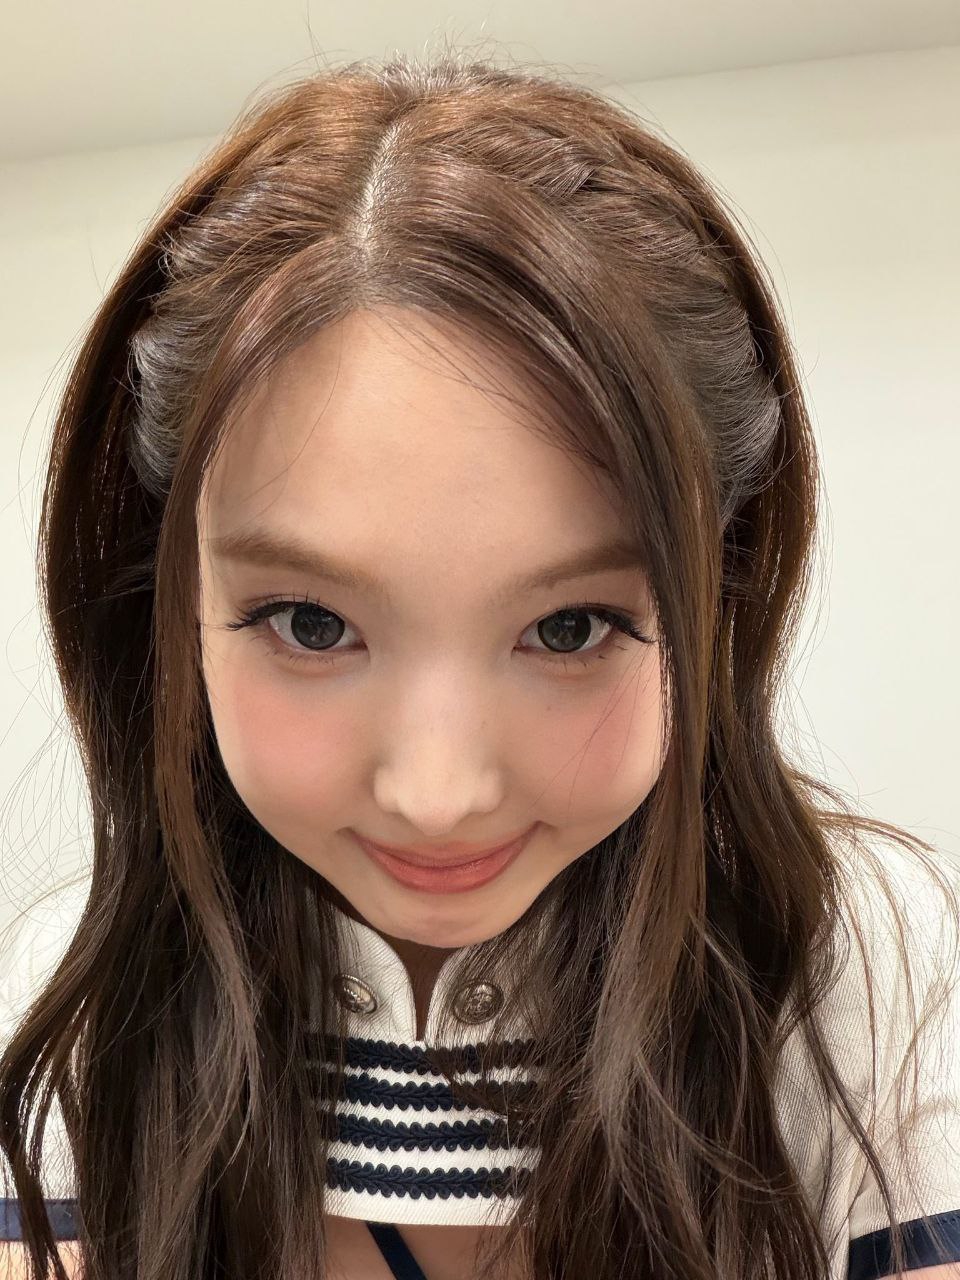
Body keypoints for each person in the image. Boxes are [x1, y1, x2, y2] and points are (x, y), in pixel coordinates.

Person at [1, 47, 959, 1280]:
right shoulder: (80, 1006)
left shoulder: (854, 970)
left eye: (570, 628)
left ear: (714, 593)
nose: (439, 794)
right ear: (172, 597)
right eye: (309, 623)